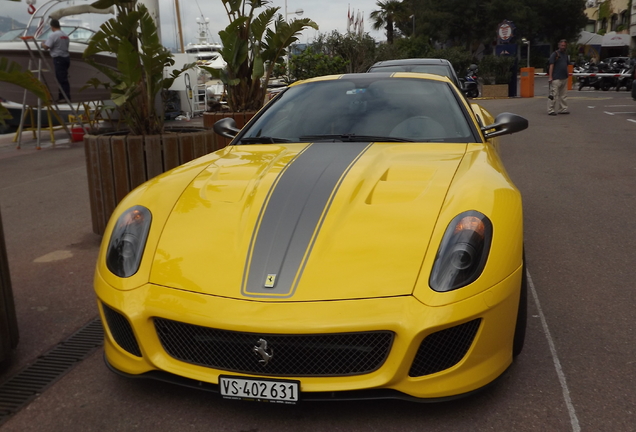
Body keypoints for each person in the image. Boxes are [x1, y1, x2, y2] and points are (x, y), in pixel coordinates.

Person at [42, 18, 71, 103]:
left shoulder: (53, 35)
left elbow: (47, 47)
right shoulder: (65, 35)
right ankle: (63, 97)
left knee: (61, 79)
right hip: (66, 58)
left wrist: (42, 44)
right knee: (63, 78)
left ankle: (64, 98)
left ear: (52, 26)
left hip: (59, 59)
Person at [547, 39, 570, 116]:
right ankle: (551, 110)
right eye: (562, 45)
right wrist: (550, 77)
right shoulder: (555, 54)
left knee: (563, 95)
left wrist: (567, 74)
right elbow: (551, 65)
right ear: (559, 45)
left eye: (564, 45)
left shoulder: (565, 55)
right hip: (556, 78)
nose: (563, 47)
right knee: (553, 95)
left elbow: (567, 65)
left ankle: (563, 109)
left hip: (564, 77)